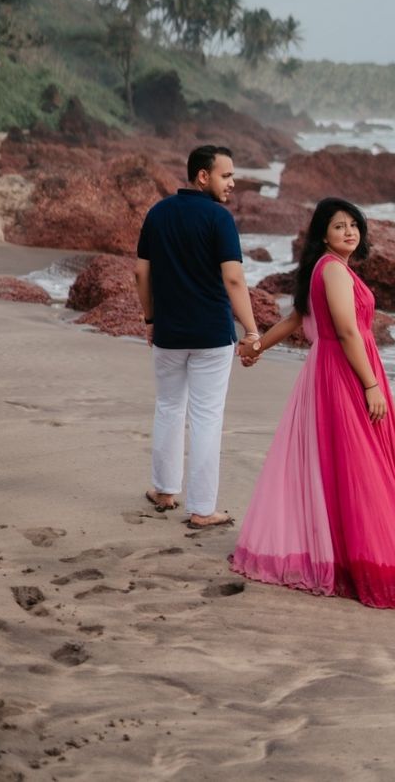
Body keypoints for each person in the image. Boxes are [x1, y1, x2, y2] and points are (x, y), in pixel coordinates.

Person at [229, 197, 395, 608]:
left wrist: (257, 346)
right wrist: (371, 384)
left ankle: (340, 551)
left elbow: (295, 319)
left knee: (341, 463)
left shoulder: (322, 270)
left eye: (354, 225)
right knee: (360, 465)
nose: (349, 231)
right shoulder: (334, 272)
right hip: (344, 370)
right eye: (339, 225)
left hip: (329, 369)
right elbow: (346, 331)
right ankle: (366, 561)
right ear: (322, 233)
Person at [135, 144, 261, 529]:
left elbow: (141, 273)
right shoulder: (218, 219)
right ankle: (203, 509)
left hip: (169, 332)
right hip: (212, 335)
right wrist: (252, 329)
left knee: (169, 408)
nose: (233, 183)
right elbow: (234, 278)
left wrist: (150, 318)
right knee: (206, 417)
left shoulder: (158, 214)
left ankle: (164, 490)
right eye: (226, 175)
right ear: (203, 176)